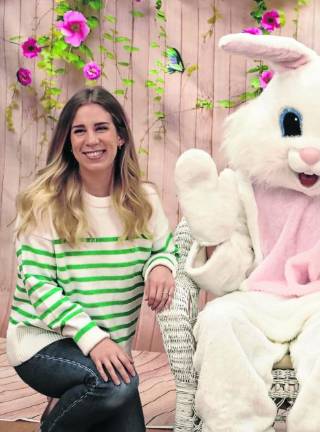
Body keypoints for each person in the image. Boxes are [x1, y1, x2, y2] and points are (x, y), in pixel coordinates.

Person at [6, 86, 177, 432]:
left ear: (121, 137)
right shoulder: (45, 203)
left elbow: (163, 248)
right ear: (69, 142)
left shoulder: (145, 200)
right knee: (114, 385)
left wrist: (161, 265)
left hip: (108, 349)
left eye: (101, 128)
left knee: (114, 389)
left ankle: (74, 393)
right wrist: (92, 339)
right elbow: (39, 286)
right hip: (43, 341)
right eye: (79, 130)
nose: (91, 140)